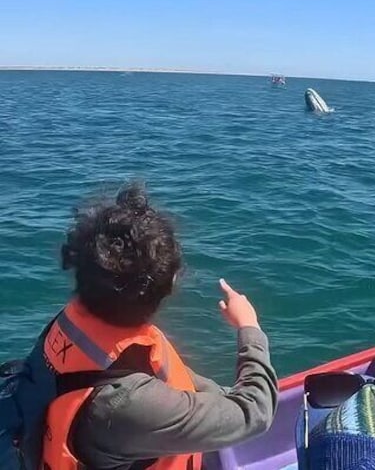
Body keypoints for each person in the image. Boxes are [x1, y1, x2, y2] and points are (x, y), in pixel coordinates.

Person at [17, 184, 278, 470]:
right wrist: (249, 327)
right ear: (171, 283)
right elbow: (254, 412)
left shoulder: (69, 325)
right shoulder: (126, 405)